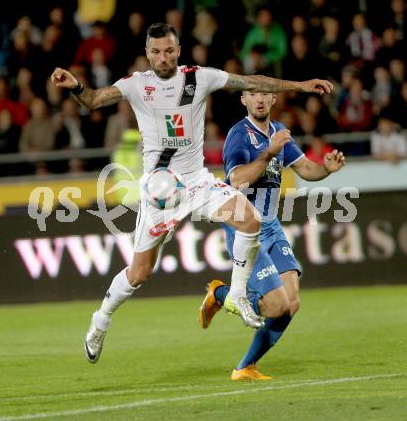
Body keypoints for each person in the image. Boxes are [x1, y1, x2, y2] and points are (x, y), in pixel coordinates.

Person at [50, 23, 334, 364]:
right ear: (147, 53)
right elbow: (94, 100)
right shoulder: (137, 84)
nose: (163, 57)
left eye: (169, 50)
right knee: (139, 273)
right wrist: (76, 85)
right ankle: (101, 320)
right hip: (160, 189)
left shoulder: (200, 78)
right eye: (156, 51)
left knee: (249, 219)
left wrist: (300, 86)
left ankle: (239, 295)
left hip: (196, 180)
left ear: (179, 50)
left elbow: (253, 82)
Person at [199, 90, 345, 380]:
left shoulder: (279, 132)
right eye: (253, 94)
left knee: (291, 303)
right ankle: (220, 294)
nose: (260, 99)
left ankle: (244, 367)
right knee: (275, 305)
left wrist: (325, 170)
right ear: (244, 100)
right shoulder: (239, 135)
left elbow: (305, 168)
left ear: (274, 99)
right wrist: (268, 153)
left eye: (265, 93)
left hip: (272, 226)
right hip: (245, 227)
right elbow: (236, 180)